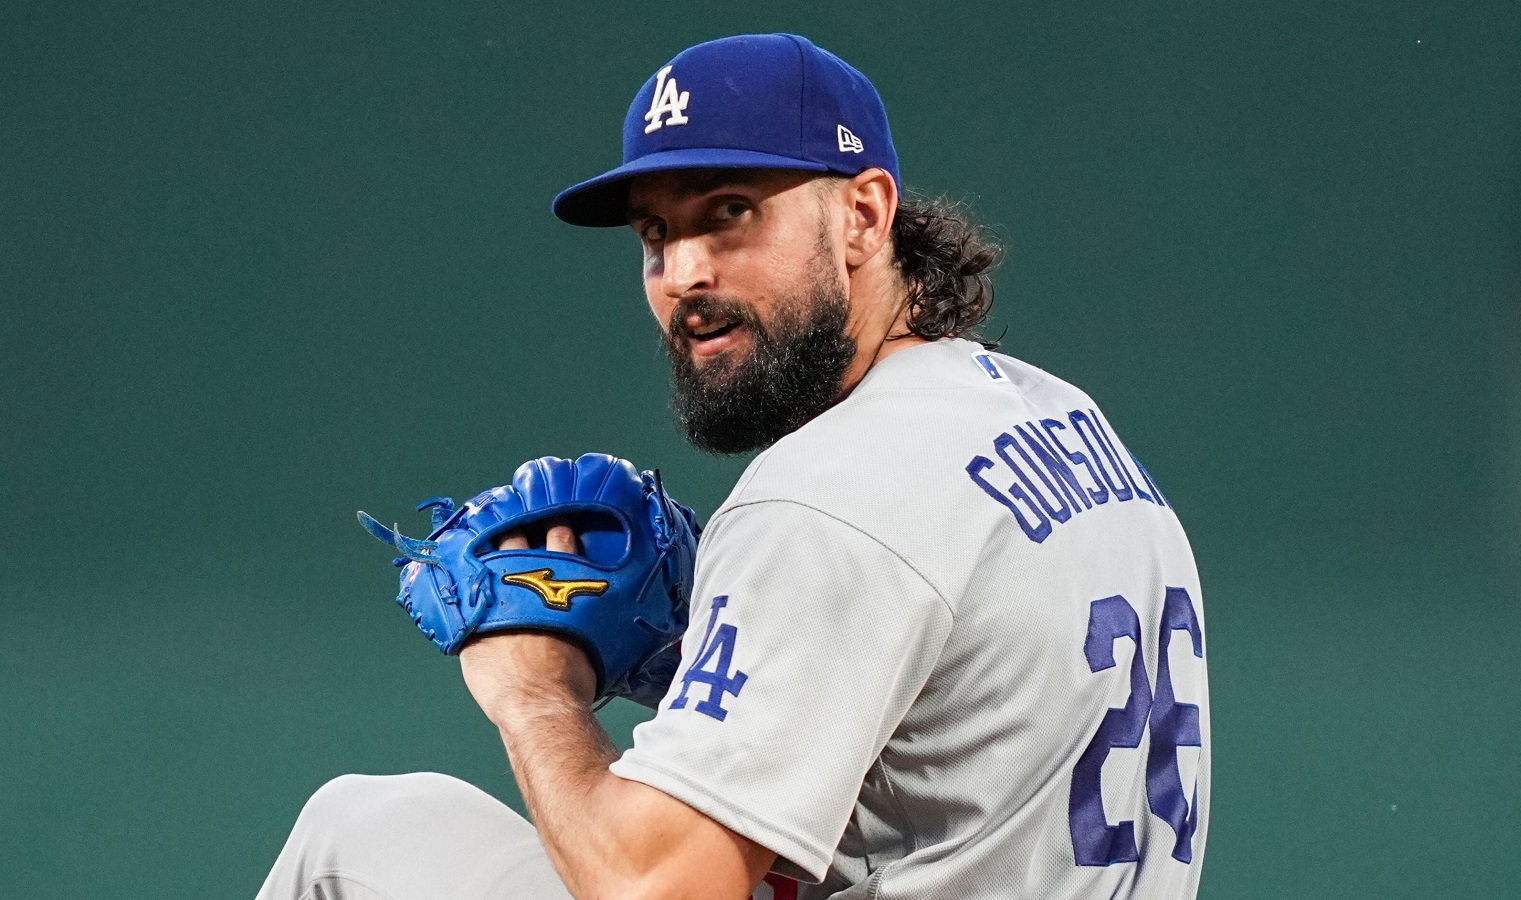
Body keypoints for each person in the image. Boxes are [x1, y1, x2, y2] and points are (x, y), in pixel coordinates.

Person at [258, 32, 1210, 900]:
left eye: (731, 213)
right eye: (656, 235)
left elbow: (656, 893)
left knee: (352, 834)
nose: (685, 274)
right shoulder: (1065, 421)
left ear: (865, 216)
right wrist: (700, 667)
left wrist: (532, 693)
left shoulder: (822, 503)